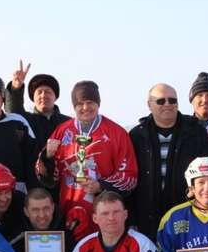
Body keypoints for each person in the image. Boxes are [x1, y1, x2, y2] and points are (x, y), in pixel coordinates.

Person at [36, 80, 138, 241]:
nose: (85, 107)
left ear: (98, 103)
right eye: (80, 104)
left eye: (90, 102)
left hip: (107, 218)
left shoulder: (117, 133)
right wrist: (47, 157)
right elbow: (45, 178)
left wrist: (101, 186)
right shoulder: (62, 131)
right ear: (74, 106)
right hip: (68, 214)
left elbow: (130, 178)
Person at [128, 83, 208, 240]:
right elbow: (130, 180)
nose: (167, 104)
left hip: (187, 215)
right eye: (161, 101)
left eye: (172, 100)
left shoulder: (196, 132)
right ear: (149, 105)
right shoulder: (136, 136)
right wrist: (131, 219)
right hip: (146, 220)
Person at [4, 61, 71, 153]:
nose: (43, 95)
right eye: (39, 92)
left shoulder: (68, 123)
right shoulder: (26, 121)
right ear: (33, 97)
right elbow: (13, 112)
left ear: (55, 97)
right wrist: (16, 88)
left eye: (48, 92)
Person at [12, 187, 74, 252]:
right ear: (26, 212)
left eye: (46, 209)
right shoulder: (17, 239)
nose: (42, 215)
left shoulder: (67, 234)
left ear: (53, 208)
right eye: (35, 210)